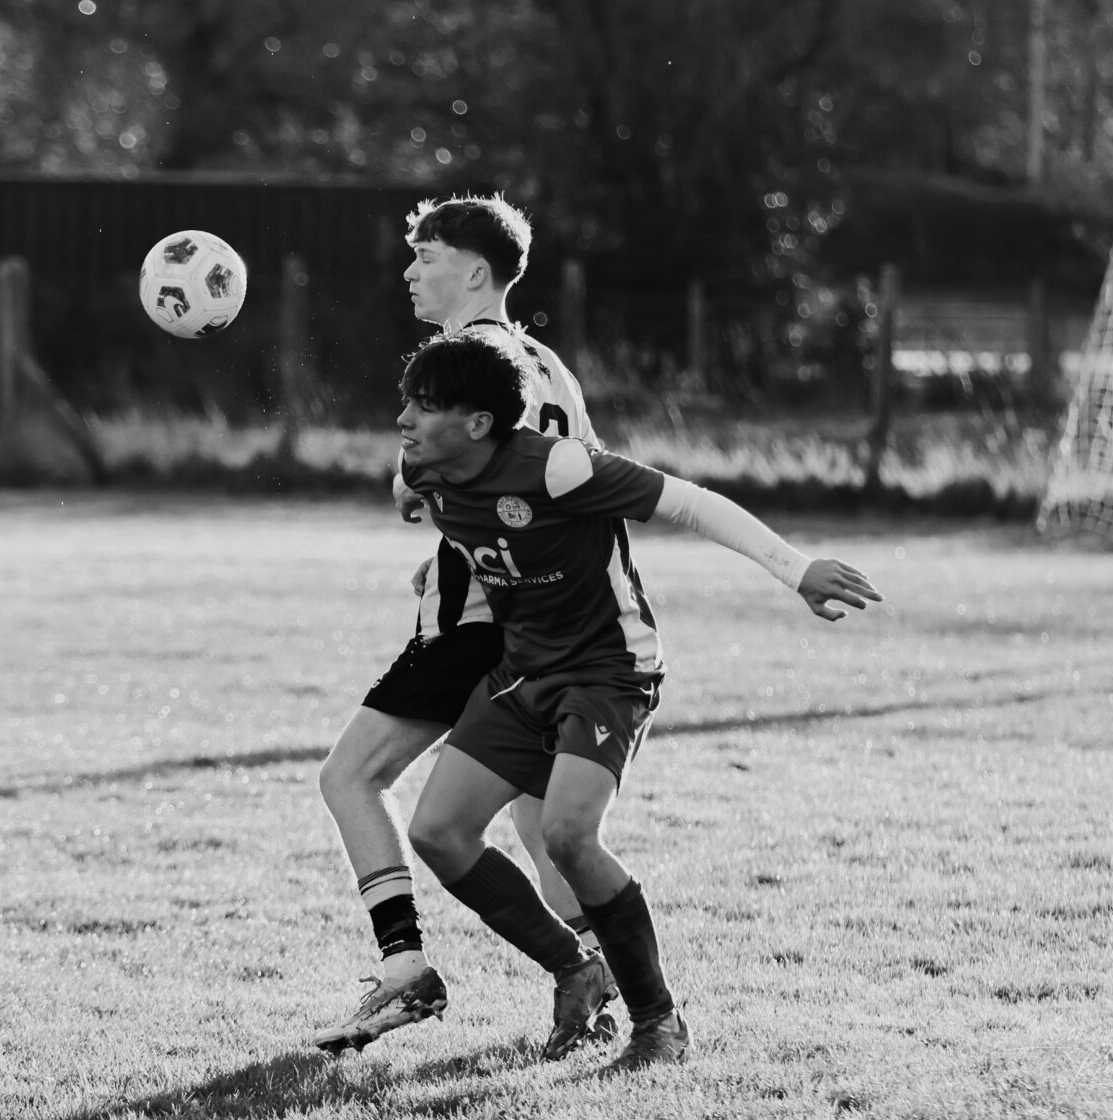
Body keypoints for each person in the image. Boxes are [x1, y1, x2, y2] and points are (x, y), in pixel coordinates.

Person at [394, 326, 881, 1070]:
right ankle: (575, 967)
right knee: (439, 831)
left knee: (567, 834)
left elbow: (692, 503)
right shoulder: (424, 471)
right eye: (407, 404)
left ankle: (659, 1024)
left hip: (609, 670)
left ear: (479, 424)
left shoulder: (557, 468)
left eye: (423, 408)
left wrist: (795, 568)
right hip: (524, 671)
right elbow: (469, 537)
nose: (404, 422)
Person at [312, 196, 617, 1059]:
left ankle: (406, 969)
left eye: (426, 255)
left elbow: (416, 485)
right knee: (533, 817)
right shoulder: (551, 366)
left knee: (350, 778)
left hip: (473, 624)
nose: (410, 271)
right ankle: (597, 978)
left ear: (474, 272)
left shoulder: (464, 363)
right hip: (544, 624)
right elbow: (566, 489)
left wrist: (431, 514)